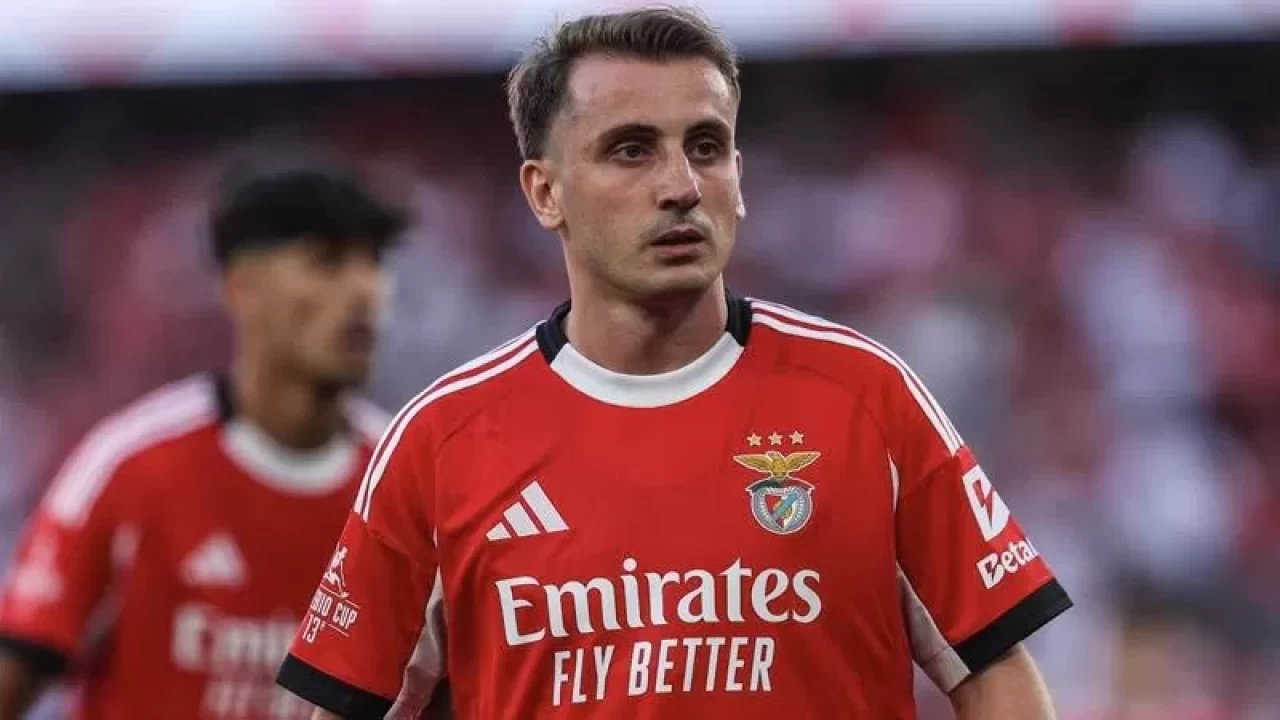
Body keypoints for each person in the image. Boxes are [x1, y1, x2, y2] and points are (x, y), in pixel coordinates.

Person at [278, 8, 1072, 719]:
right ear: (545, 192)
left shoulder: (866, 396)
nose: (682, 186)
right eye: (631, 151)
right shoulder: (442, 441)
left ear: (738, 178)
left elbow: (993, 669)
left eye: (706, 147)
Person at [0, 161, 409, 720]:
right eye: (327, 262)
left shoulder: (403, 480)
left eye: (375, 262)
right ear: (242, 287)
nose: (365, 291)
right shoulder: (131, 466)